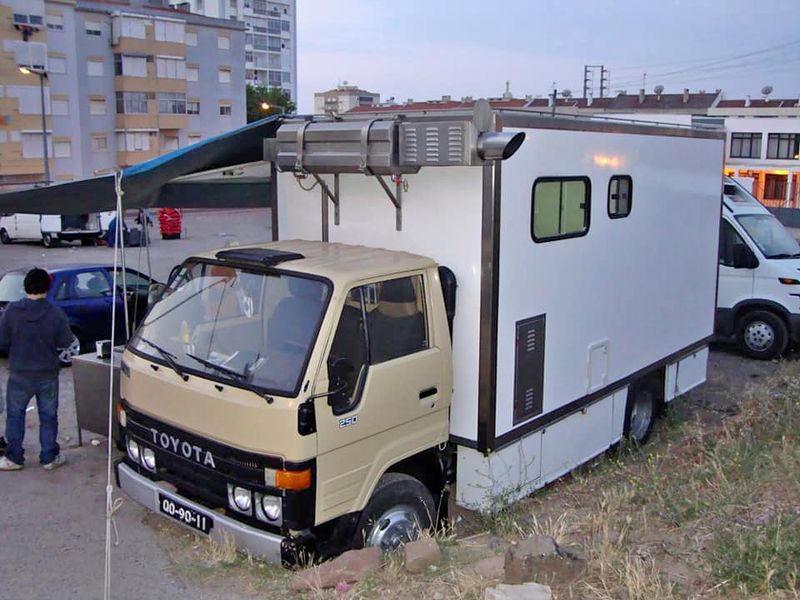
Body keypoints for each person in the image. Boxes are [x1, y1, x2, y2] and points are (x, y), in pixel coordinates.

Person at [0, 268, 73, 471]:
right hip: (47, 373)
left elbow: (2, 342)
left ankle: (13, 458)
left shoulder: (11, 311)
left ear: (25, 287)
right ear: (47, 288)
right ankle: (49, 456)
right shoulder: (55, 313)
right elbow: (65, 341)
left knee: (15, 415)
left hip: (19, 373)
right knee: (48, 416)